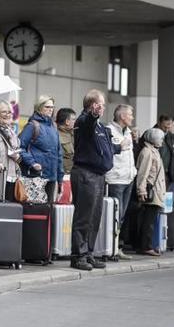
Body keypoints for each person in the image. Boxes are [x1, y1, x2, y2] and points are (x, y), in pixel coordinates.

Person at [71, 89, 120, 271]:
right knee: (84, 217)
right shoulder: (84, 121)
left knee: (94, 217)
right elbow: (87, 123)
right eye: (101, 105)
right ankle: (78, 256)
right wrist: (92, 114)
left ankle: (88, 252)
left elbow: (102, 148)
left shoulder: (100, 126)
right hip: (86, 174)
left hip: (98, 175)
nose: (103, 108)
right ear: (93, 105)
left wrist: (119, 147)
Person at [18, 96, 64, 203]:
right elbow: (19, 147)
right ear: (39, 107)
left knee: (49, 211)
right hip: (36, 177)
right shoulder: (32, 126)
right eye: (47, 107)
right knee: (35, 211)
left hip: (52, 178)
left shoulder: (53, 127)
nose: (50, 110)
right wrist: (32, 163)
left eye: (52, 107)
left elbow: (59, 155)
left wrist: (60, 179)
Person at [105, 104, 137, 260]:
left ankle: (117, 246)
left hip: (128, 178)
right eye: (130, 114)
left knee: (122, 216)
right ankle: (110, 247)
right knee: (115, 215)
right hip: (116, 179)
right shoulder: (109, 131)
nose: (132, 117)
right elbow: (107, 152)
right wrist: (119, 145)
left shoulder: (129, 132)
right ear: (123, 116)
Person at [135, 128, 167, 257]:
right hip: (151, 191)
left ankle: (145, 245)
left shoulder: (153, 151)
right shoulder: (148, 152)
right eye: (161, 139)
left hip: (156, 190)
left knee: (149, 219)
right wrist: (141, 190)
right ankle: (145, 246)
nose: (162, 141)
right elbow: (142, 173)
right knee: (148, 220)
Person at [0, 101, 22, 201]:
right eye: (4, 112)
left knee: (9, 211)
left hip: (12, 178)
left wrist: (17, 157)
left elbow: (18, 155)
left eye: (9, 112)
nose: (7, 115)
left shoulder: (12, 132)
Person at [155, 115, 174, 193]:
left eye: (168, 127)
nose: (166, 130)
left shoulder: (170, 136)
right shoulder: (152, 135)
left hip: (170, 174)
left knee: (168, 202)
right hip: (158, 174)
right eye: (164, 127)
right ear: (159, 124)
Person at [56, 108, 77, 176]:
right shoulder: (55, 135)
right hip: (62, 175)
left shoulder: (74, 133)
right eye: (73, 119)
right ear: (67, 121)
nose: (75, 122)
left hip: (73, 174)